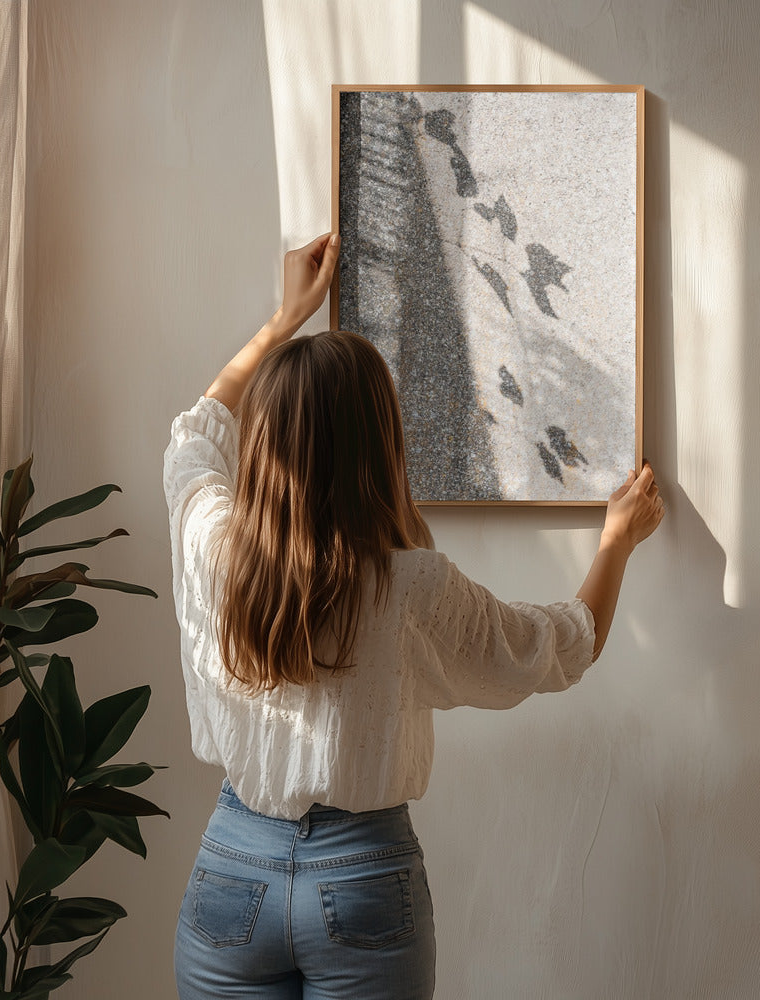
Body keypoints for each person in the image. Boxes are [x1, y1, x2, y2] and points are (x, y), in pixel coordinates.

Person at [165, 232, 664, 1000]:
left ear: (263, 447)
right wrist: (616, 543)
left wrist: (283, 321)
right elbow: (562, 647)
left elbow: (194, 439)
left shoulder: (216, 547)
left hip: (233, 870)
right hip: (362, 879)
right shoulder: (412, 586)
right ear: (380, 445)